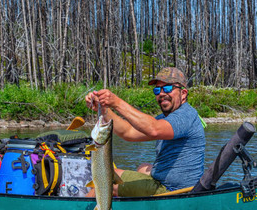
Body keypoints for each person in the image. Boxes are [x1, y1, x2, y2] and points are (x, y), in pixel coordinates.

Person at [85, 67, 205, 197]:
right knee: (143, 168)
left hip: (176, 191)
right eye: (157, 90)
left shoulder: (185, 115)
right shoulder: (164, 119)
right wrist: (104, 110)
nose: (162, 93)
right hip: (168, 184)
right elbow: (128, 132)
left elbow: (154, 129)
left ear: (183, 93)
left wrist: (116, 102)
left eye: (168, 88)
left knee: (108, 178)